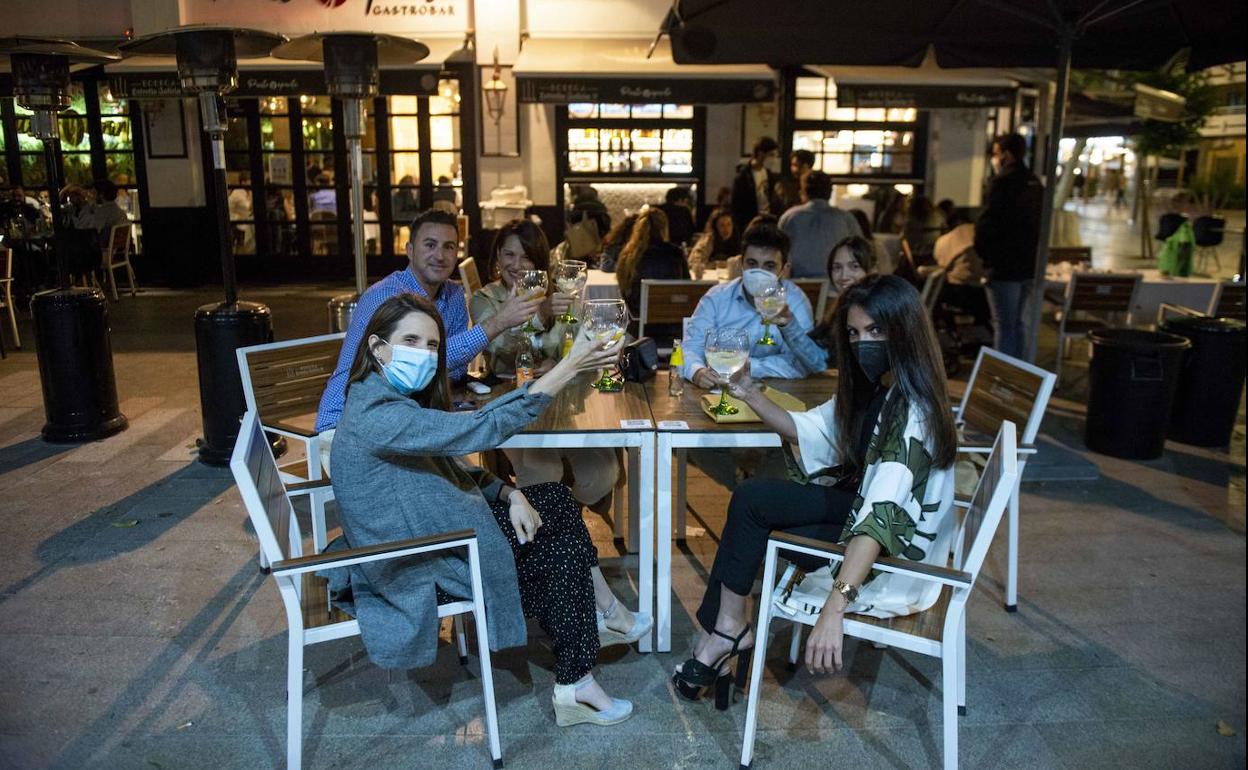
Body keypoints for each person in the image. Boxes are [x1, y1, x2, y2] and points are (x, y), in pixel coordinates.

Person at [325, 293, 637, 726]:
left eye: (432, 346)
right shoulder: (377, 416)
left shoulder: (382, 399)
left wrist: (510, 495)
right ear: (378, 348)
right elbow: (481, 428)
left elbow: (447, 466)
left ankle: (601, 621)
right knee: (557, 550)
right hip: (416, 561)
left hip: (430, 529)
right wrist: (571, 365)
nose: (424, 354)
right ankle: (577, 679)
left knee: (552, 497)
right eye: (411, 341)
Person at [672, 274, 957, 701]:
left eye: (876, 331)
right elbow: (809, 429)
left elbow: (880, 518)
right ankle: (729, 628)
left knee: (758, 528)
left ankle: (725, 634)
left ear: (906, 330)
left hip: (898, 549)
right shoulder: (879, 387)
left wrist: (834, 608)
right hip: (864, 508)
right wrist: (748, 391)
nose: (864, 344)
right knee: (752, 499)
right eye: (855, 333)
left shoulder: (912, 410)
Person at [316, 208, 545, 437]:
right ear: (409, 250)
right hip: (349, 424)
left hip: (410, 417)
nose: (440, 255)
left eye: (449, 247)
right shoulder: (389, 296)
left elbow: (453, 369)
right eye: (430, 245)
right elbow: (430, 360)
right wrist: (498, 322)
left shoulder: (453, 295)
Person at [681, 217, 817, 490]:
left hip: (777, 404)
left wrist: (745, 367)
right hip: (720, 400)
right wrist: (697, 371)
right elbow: (689, 348)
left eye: (769, 266)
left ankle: (752, 491)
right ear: (741, 263)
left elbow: (803, 363)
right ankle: (746, 487)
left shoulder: (795, 301)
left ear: (784, 270)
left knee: (790, 445)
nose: (758, 272)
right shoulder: (717, 298)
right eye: (752, 264)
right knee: (689, 441)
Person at [975, 133, 1043, 359]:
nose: (994, 159)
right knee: (1020, 324)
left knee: (1004, 326)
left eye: (996, 153)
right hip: (1029, 264)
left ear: (1006, 154)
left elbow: (986, 224)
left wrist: (985, 258)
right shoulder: (1034, 183)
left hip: (1003, 266)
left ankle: (1004, 380)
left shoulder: (1001, 183)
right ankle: (1021, 374)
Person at [793, 235, 879, 373]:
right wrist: (787, 324)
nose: (844, 276)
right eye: (837, 268)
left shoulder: (877, 309)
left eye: (854, 266)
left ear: (872, 270)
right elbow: (817, 356)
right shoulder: (841, 306)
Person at [615, 207, 689, 340]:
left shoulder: (629, 255)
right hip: (673, 327)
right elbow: (686, 289)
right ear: (664, 228)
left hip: (639, 326)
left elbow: (625, 293)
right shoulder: (676, 254)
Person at [778, 171, 862, 279]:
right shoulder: (846, 218)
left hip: (798, 285)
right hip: (836, 285)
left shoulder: (789, 217)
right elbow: (861, 253)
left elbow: (778, 254)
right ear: (830, 192)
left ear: (803, 192)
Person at [933, 213, 990, 328]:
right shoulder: (982, 234)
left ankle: (943, 330)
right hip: (984, 289)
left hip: (960, 291)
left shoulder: (947, 239)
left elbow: (942, 264)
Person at [731, 137, 781, 234]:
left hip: (770, 221)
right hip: (751, 223)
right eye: (771, 155)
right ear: (761, 154)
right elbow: (736, 206)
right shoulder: (743, 177)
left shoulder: (769, 174)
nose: (774, 159)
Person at [687, 208, 739, 279]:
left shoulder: (737, 240)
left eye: (729, 224)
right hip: (711, 278)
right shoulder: (708, 240)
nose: (726, 229)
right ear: (715, 227)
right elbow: (693, 261)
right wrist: (717, 264)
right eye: (722, 225)